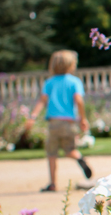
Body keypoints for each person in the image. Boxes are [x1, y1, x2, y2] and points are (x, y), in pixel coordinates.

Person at [25, 50, 93, 192]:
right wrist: (83, 119)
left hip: (54, 123)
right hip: (69, 123)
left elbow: (42, 101)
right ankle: (79, 158)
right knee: (70, 150)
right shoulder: (74, 82)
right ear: (71, 65)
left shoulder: (50, 82)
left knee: (51, 154)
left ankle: (53, 183)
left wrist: (32, 117)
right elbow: (79, 101)